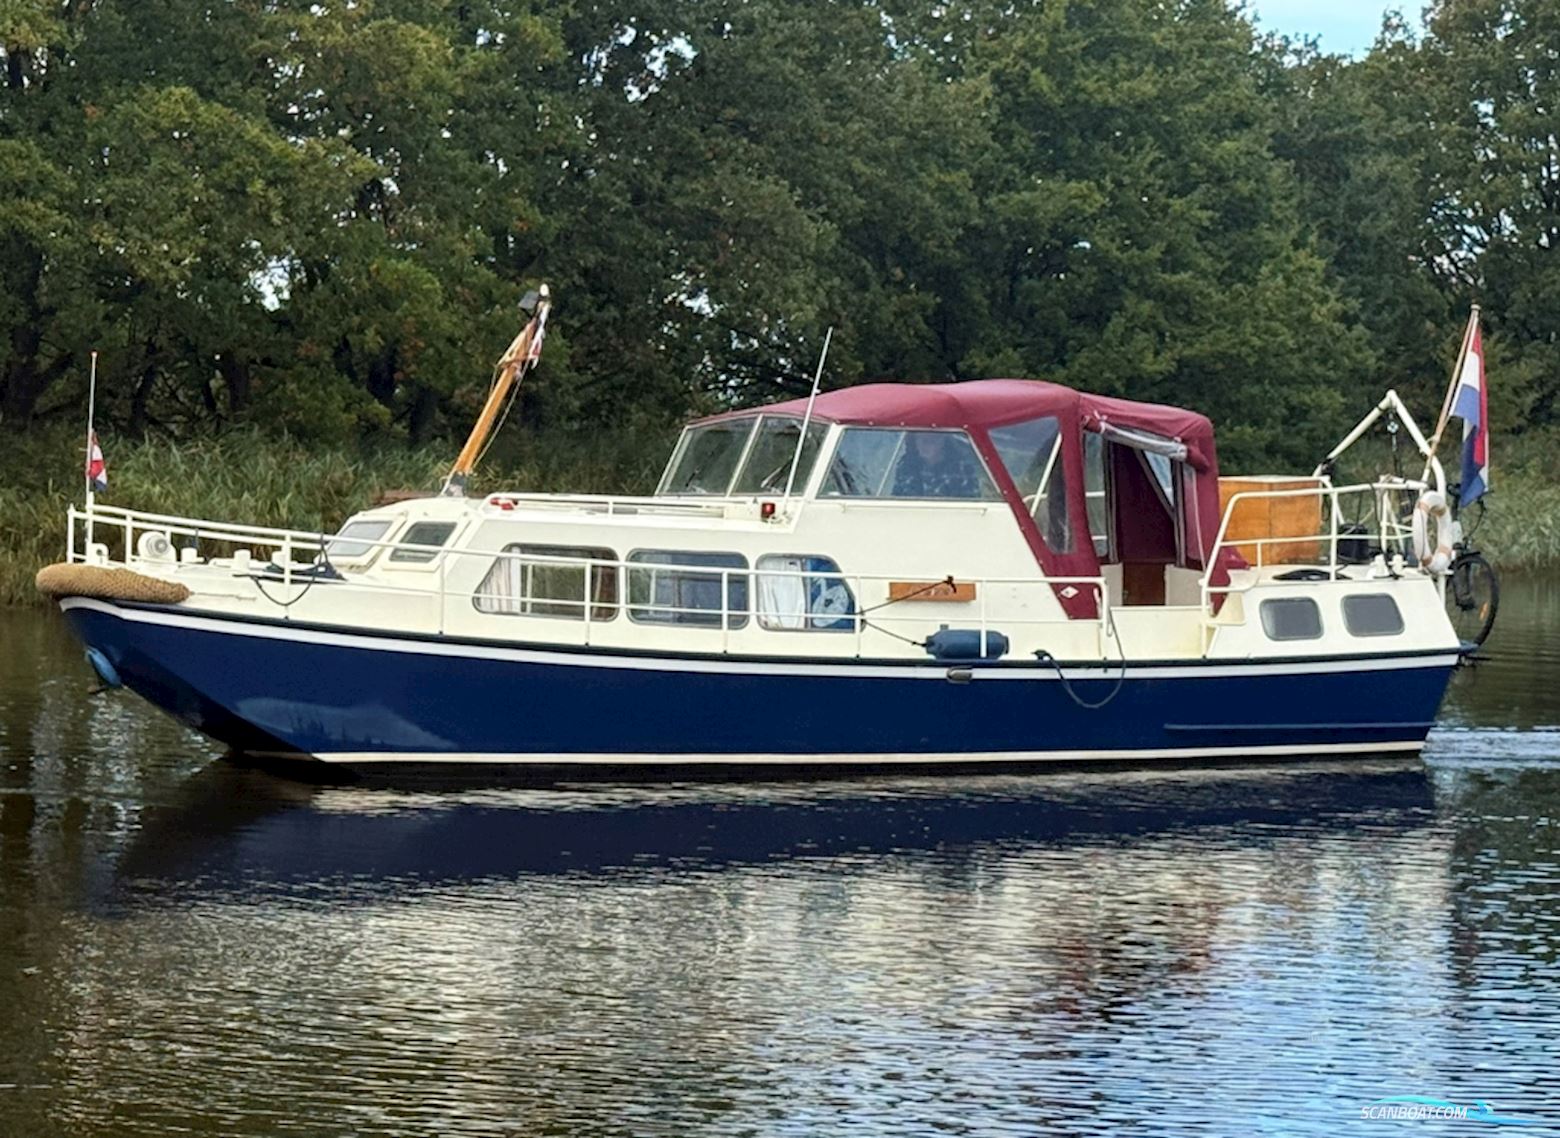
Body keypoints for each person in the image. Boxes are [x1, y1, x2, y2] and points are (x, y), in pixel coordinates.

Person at [892, 431, 987, 498]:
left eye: (929, 441)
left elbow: (970, 506)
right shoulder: (905, 466)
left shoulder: (962, 468)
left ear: (942, 442)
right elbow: (895, 499)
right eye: (919, 440)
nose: (923, 445)